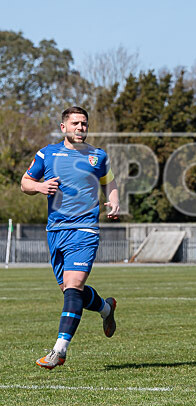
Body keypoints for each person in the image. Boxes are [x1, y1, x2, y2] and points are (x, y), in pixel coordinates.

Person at [21, 106, 119, 369]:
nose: (80, 128)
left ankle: (59, 351)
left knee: (73, 288)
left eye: (84, 124)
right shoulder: (47, 153)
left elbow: (110, 183)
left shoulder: (98, 156)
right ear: (63, 127)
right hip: (55, 231)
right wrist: (40, 186)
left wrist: (114, 201)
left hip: (85, 229)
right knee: (71, 291)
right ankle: (106, 309)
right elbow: (25, 182)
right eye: (75, 123)